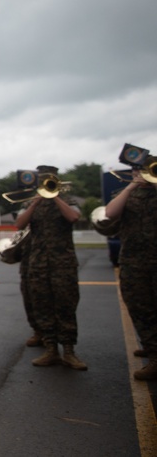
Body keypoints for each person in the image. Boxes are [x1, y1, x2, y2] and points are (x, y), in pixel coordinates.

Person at [13, 165, 85, 370]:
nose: (44, 184)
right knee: (43, 306)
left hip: (63, 263)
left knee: (66, 306)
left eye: (48, 180)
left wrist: (54, 197)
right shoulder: (30, 202)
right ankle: (51, 349)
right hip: (38, 264)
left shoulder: (68, 201)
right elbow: (19, 224)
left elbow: (73, 217)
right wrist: (35, 202)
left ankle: (69, 351)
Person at [101, 154, 157, 380]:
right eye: (139, 170)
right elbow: (110, 213)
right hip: (134, 261)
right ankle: (153, 354)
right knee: (139, 307)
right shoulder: (125, 193)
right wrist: (133, 185)